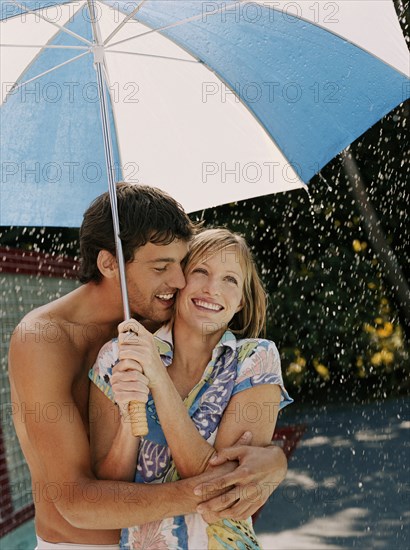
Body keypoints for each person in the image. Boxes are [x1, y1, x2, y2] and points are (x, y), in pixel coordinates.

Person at [8, 184, 289, 549]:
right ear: (109, 263)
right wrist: (224, 486)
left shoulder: (158, 320)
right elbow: (77, 502)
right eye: (161, 267)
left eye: (181, 263)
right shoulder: (44, 339)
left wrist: (273, 462)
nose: (179, 280)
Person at [89, 228, 293, 549]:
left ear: (241, 301)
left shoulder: (255, 360)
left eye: (230, 280)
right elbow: (111, 493)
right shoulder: (119, 355)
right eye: (201, 271)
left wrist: (157, 376)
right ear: (179, 281)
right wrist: (130, 421)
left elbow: (221, 486)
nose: (213, 289)